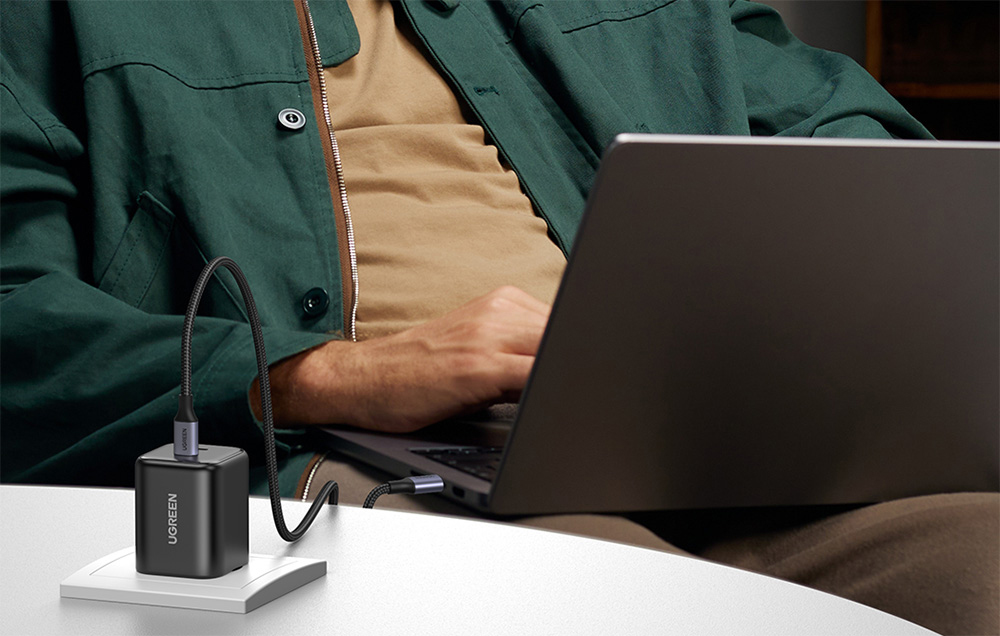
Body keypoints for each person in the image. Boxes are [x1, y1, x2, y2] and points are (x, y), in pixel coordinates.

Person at [1, 1, 996, 633]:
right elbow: (17, 315)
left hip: (716, 431)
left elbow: (842, 132)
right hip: (369, 452)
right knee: (644, 612)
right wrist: (333, 373)